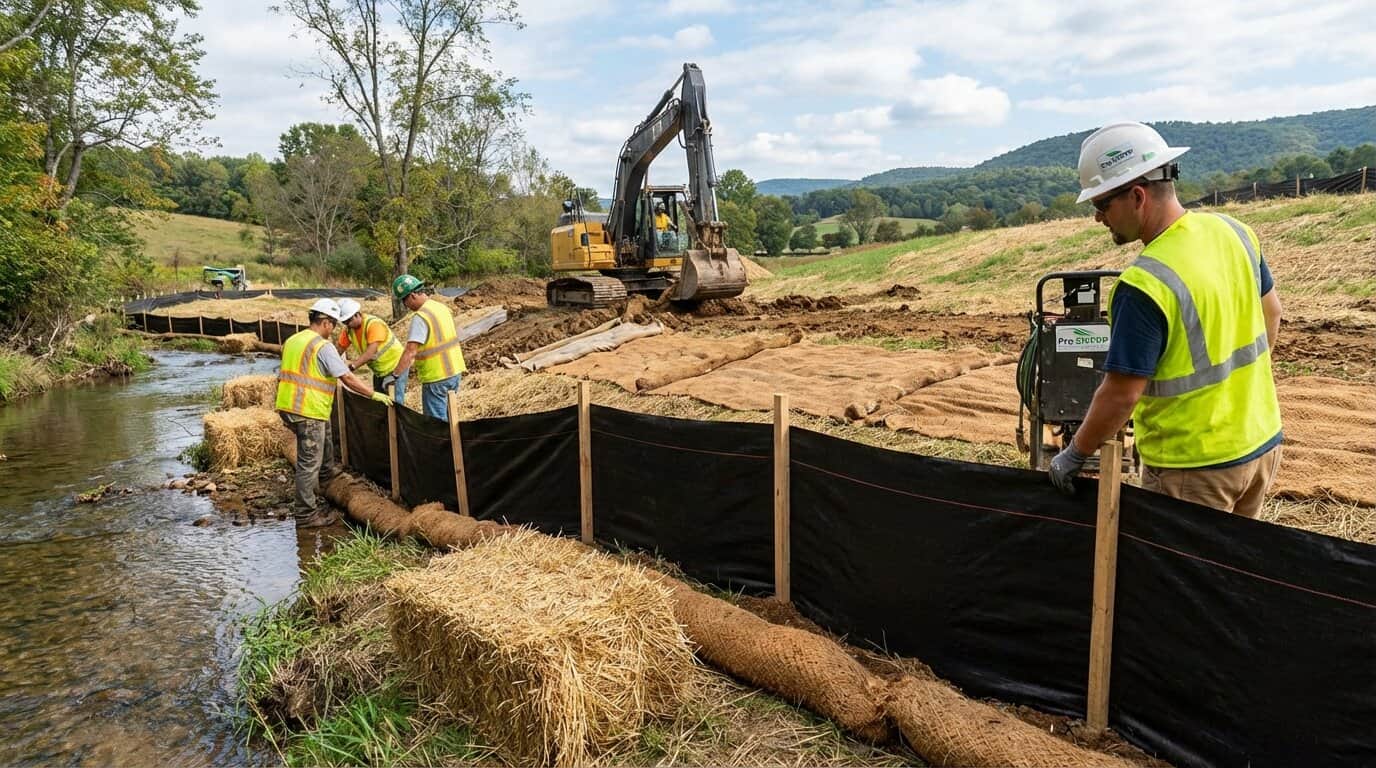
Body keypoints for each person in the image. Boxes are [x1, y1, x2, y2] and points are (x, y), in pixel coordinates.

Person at [1048, 121, 1283, 518]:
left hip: (1193, 467)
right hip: (1261, 445)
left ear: (1137, 196)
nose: (1098, 219)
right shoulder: (1234, 232)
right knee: (1233, 572)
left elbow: (1121, 394)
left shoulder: (1145, 283)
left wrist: (1074, 453)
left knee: (1181, 577)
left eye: (1101, 205)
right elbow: (1271, 314)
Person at [276, 298, 392, 527]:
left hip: (290, 406)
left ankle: (327, 475)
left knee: (324, 438)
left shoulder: (294, 340)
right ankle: (305, 514)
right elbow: (346, 377)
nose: (335, 329)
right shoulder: (322, 345)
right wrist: (372, 394)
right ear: (326, 322)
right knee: (309, 461)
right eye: (334, 324)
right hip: (307, 410)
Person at [387, 275, 467, 422]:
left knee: (435, 425)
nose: (406, 306)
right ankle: (453, 445)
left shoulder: (421, 317)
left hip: (436, 377)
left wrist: (395, 375)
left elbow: (410, 352)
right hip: (454, 372)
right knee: (451, 419)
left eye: (405, 302)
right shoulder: (440, 307)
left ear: (412, 296)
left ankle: (442, 445)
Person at [335, 298, 406, 405]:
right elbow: (339, 349)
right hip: (379, 370)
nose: (347, 324)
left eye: (349, 321)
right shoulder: (348, 330)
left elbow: (370, 352)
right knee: (379, 401)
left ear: (357, 314)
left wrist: (352, 367)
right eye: (344, 322)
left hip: (396, 366)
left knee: (395, 402)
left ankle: (396, 421)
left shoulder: (373, 324)